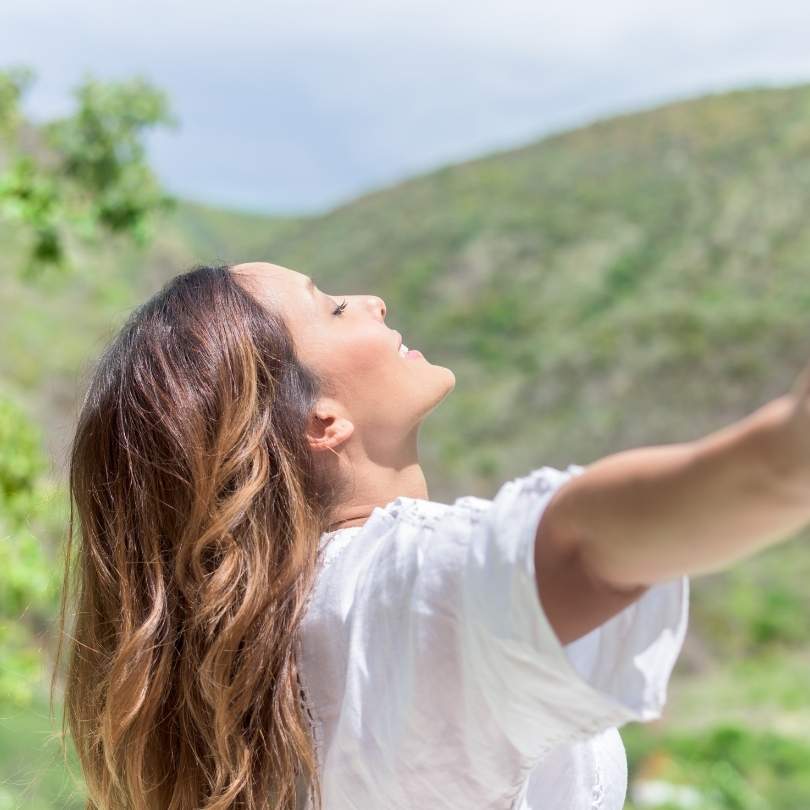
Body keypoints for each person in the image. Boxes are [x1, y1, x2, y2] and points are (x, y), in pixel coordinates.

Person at [53, 261, 810, 810]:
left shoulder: (278, 644)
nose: (372, 298)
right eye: (334, 309)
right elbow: (587, 545)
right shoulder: (390, 605)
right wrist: (788, 450)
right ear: (323, 421)